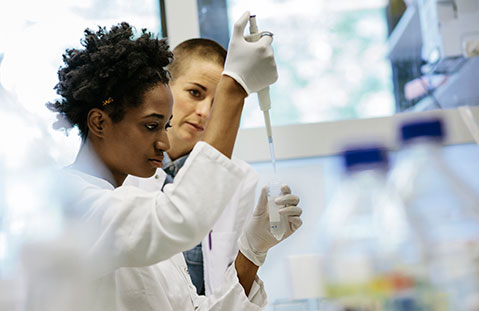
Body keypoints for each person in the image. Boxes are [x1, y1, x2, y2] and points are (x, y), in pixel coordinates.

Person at [48, 11, 303, 310]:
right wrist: (233, 88)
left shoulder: (130, 207)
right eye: (151, 125)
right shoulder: (68, 205)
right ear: (99, 122)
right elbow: (178, 219)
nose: (164, 142)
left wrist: (252, 251)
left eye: (166, 126)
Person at [123, 38, 258, 296]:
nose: (205, 111)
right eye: (195, 93)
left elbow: (233, 285)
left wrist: (256, 249)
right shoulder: (125, 172)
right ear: (164, 87)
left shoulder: (240, 180)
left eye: (218, 103)